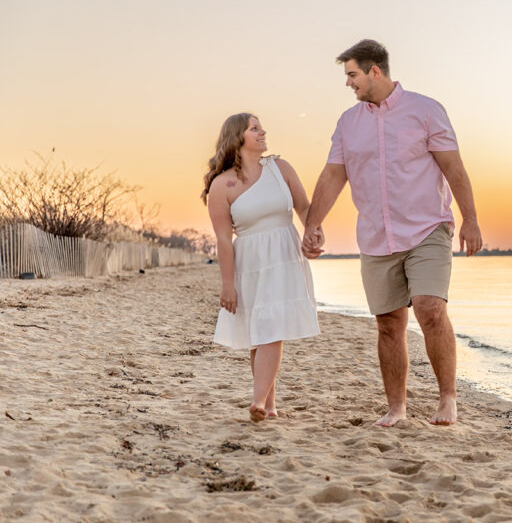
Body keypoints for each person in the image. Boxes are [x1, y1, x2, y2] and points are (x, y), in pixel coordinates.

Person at [302, 39, 482, 427]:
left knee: (430, 308)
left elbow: (453, 168)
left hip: (427, 227)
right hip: (376, 235)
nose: (348, 83)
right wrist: (312, 223)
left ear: (375, 72)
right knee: (388, 324)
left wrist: (470, 218)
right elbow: (333, 176)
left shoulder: (426, 110)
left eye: (352, 74)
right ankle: (396, 408)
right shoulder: (348, 123)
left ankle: (447, 398)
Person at [202, 113, 320, 422]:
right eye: (255, 128)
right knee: (260, 331)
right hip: (250, 262)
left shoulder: (280, 169)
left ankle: (259, 401)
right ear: (238, 137)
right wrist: (227, 284)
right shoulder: (221, 185)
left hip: (284, 255)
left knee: (271, 328)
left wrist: (313, 233)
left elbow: (305, 208)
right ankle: (269, 405)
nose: (263, 131)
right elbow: (224, 241)